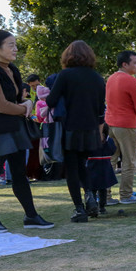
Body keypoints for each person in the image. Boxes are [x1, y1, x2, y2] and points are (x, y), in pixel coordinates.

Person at [0, 30, 54, 232]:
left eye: (15, 45)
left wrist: (26, 103)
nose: (16, 49)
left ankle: (31, 216)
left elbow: (16, 99)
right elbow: (0, 105)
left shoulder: (11, 69)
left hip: (15, 125)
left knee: (19, 172)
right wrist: (25, 108)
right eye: (11, 45)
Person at [46, 40, 106, 223]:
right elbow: (100, 110)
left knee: (71, 168)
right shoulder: (98, 78)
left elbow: (51, 100)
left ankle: (79, 208)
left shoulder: (65, 75)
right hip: (90, 129)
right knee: (83, 165)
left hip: (70, 127)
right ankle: (90, 197)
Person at [104, 50, 136, 204]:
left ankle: (105, 195)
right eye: (135, 63)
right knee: (129, 160)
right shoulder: (131, 81)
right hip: (126, 124)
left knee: (111, 160)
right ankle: (126, 195)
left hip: (110, 123)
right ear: (125, 64)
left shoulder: (111, 79)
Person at [86, 125, 119, 216]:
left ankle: (93, 207)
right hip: (105, 169)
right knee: (103, 189)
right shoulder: (108, 141)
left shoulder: (90, 140)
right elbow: (113, 150)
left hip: (92, 168)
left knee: (93, 189)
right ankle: (102, 207)